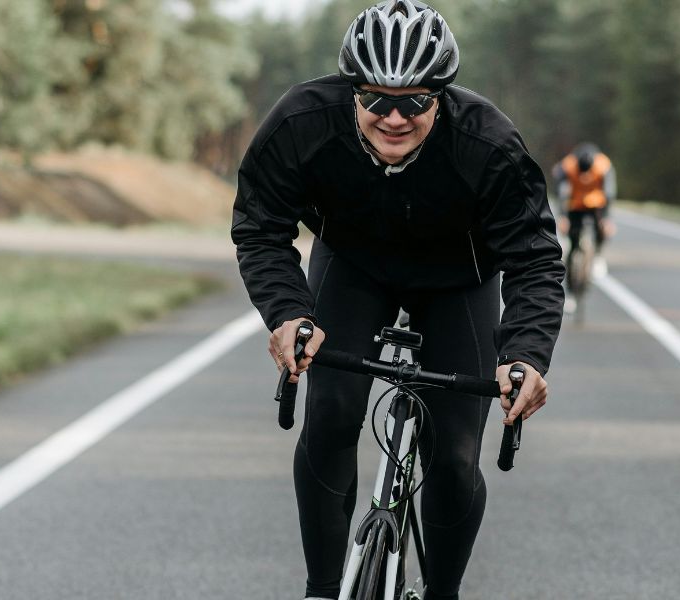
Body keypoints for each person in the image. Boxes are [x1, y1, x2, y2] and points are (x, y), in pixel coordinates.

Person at [230, 2, 565, 598]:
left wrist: (526, 354)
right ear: (349, 91)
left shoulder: (488, 143)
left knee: (456, 457)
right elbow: (260, 226)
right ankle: (322, 589)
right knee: (331, 415)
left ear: (442, 94)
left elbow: (534, 258)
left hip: (459, 280)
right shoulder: (302, 122)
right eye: (374, 99)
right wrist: (287, 313)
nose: (393, 116)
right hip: (352, 265)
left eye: (414, 101)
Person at [552, 142, 616, 312]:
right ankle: (571, 292)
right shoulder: (567, 166)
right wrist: (563, 217)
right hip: (575, 205)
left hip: (597, 204)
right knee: (573, 246)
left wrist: (607, 219)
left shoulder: (604, 165)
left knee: (603, 230)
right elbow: (561, 193)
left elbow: (609, 193)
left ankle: (598, 256)